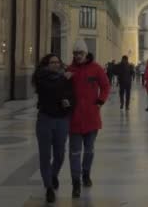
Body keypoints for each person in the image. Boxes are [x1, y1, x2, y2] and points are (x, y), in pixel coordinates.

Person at [66, 39, 110, 198]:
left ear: (86, 53)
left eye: (80, 53)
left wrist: (100, 100)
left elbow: (105, 85)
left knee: (89, 151)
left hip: (91, 118)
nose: (77, 56)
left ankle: (86, 173)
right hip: (75, 120)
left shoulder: (96, 69)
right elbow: (63, 92)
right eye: (75, 53)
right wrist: (65, 80)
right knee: (74, 152)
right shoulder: (70, 70)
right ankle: (75, 182)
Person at [32, 54, 75, 203]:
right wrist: (64, 79)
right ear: (46, 64)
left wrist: (68, 102)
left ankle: (53, 174)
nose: (56, 65)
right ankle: (49, 187)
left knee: (60, 154)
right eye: (52, 62)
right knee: (45, 156)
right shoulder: (41, 77)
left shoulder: (64, 77)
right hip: (45, 119)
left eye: (57, 62)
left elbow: (70, 94)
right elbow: (50, 90)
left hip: (62, 120)